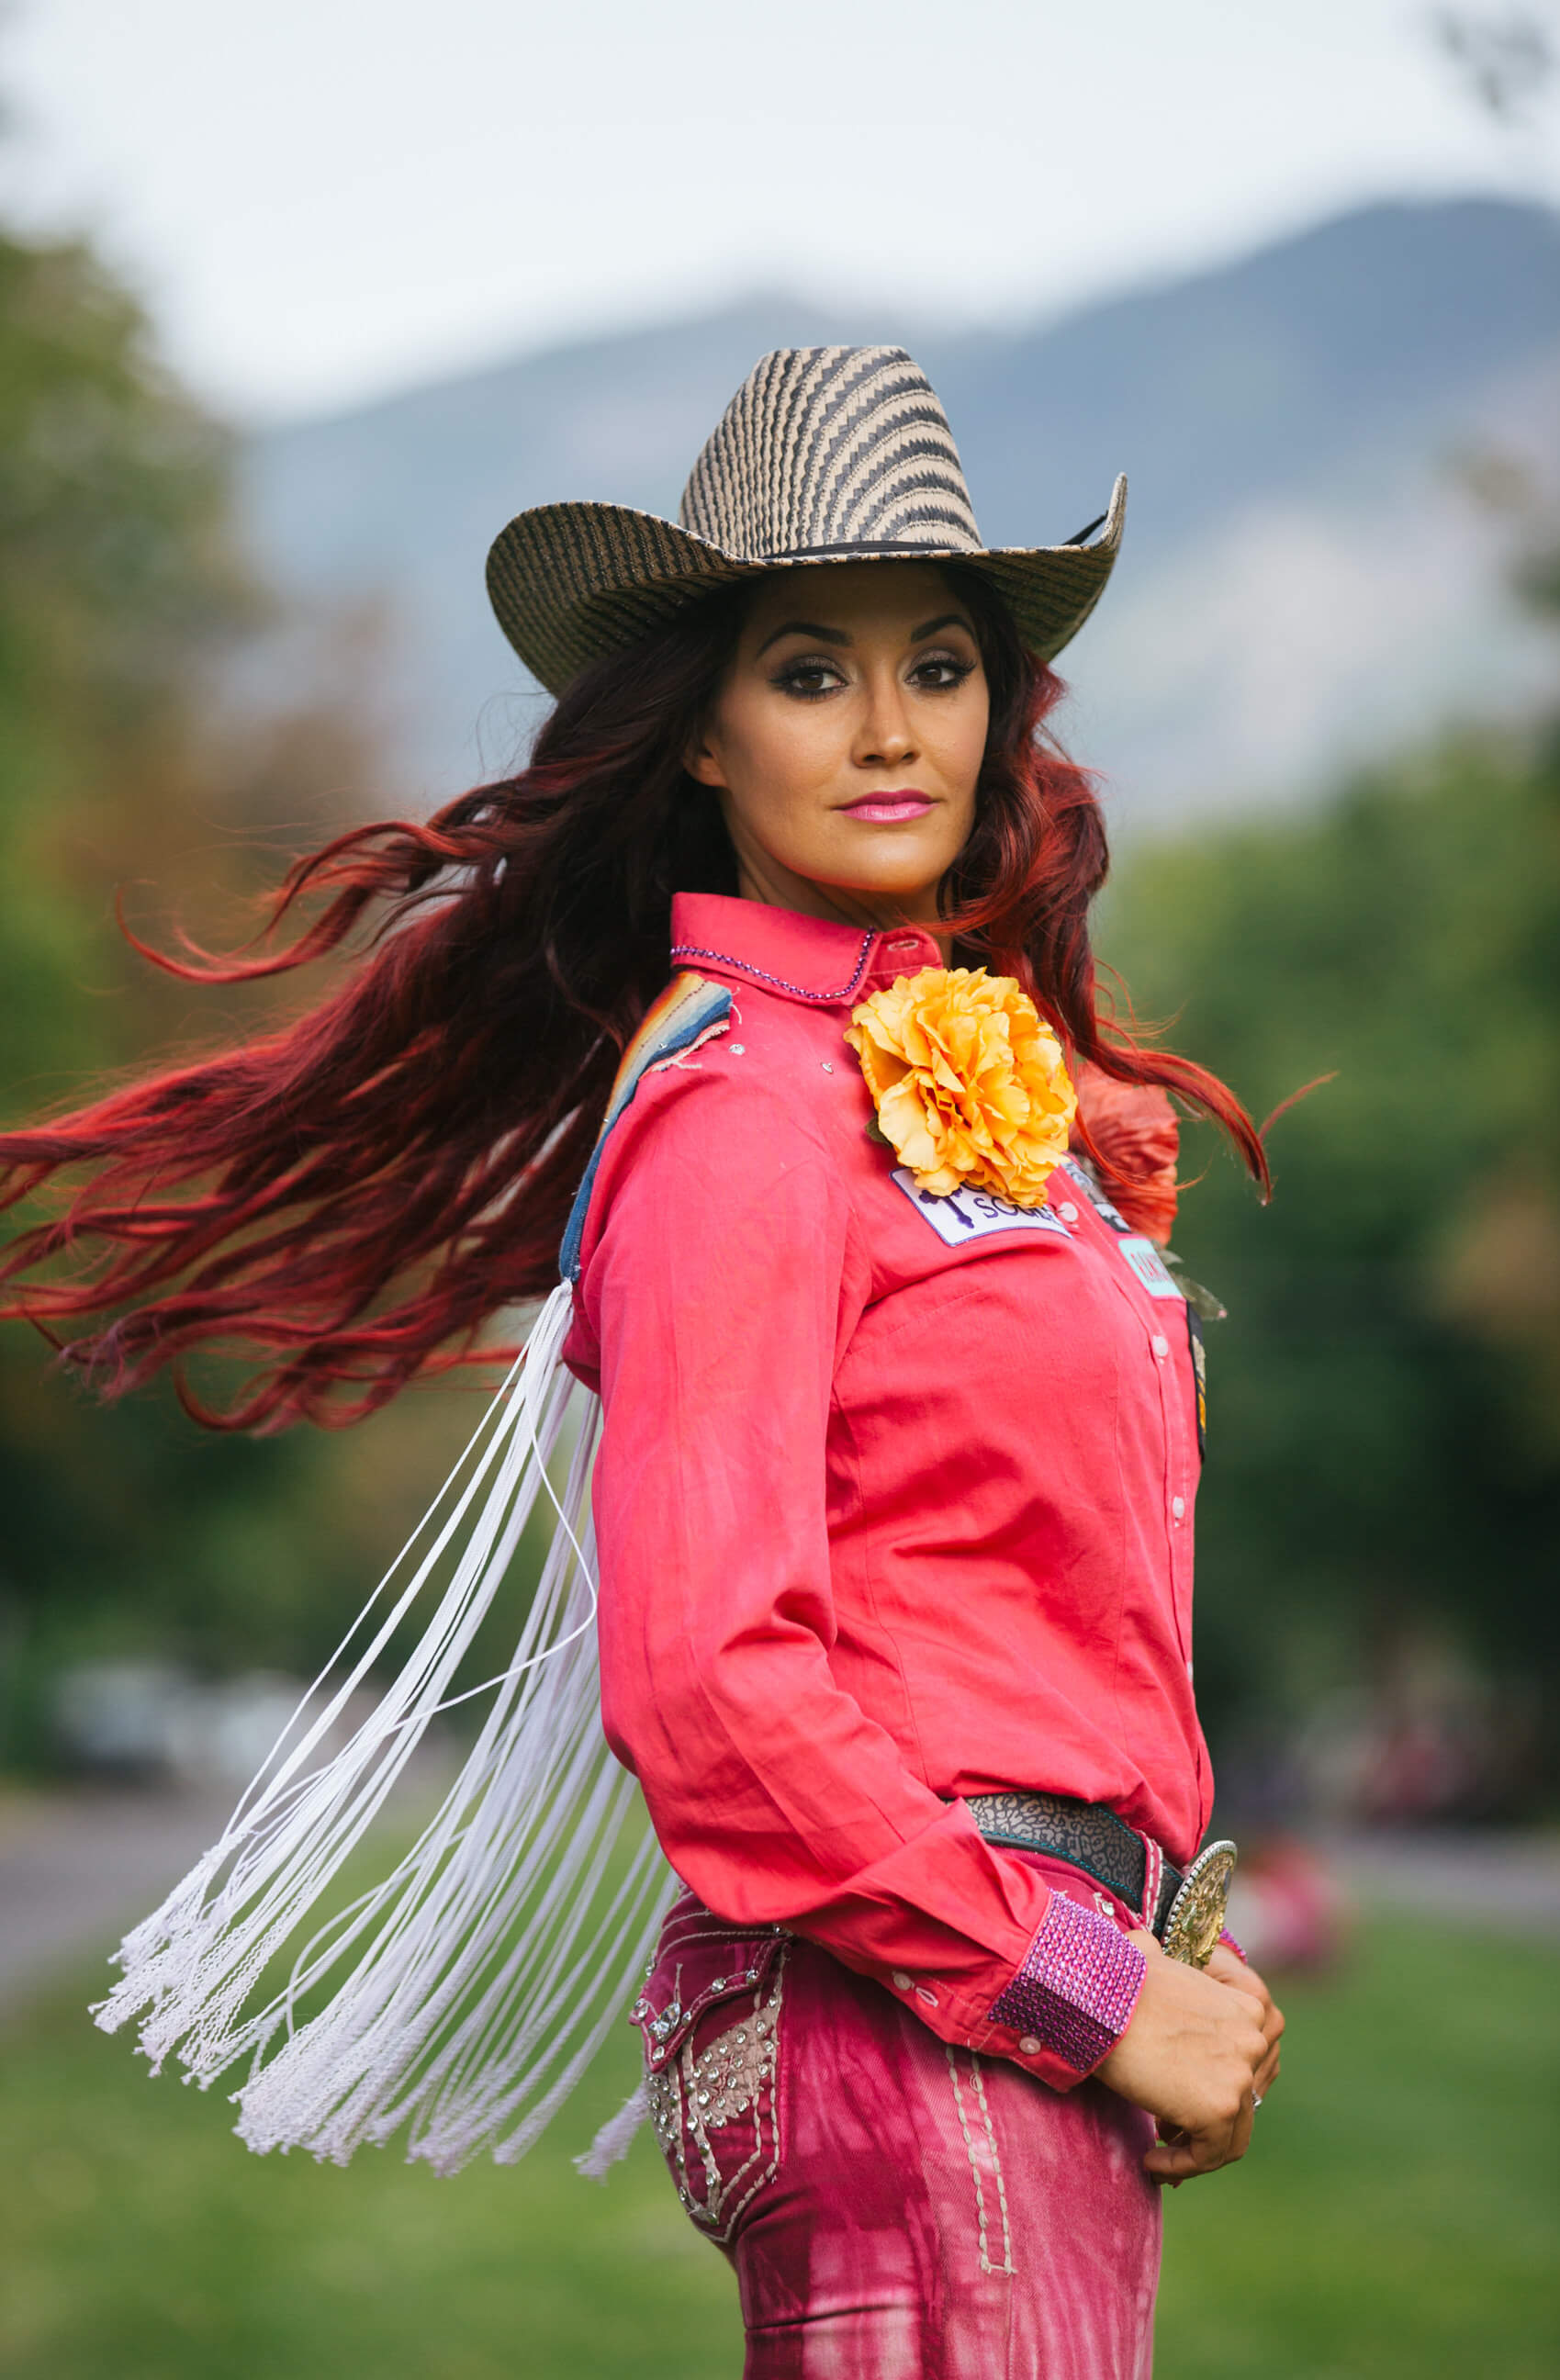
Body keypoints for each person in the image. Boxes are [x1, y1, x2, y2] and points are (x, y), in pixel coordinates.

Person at [0, 347, 1284, 2377]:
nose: (887, 729)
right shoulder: (744, 1108)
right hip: (916, 2008)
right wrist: (1081, 1986)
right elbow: (709, 1678)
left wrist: (1146, 1980)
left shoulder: (932, 1089)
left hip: (1005, 2013)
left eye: (939, 666)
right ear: (697, 727)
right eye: (807, 670)